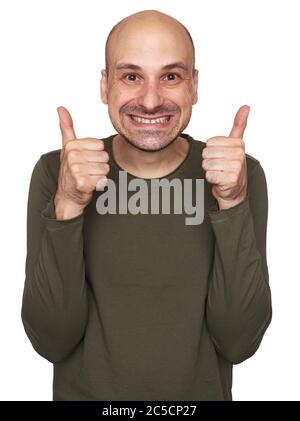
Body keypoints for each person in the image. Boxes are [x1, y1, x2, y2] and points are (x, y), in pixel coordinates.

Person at [21, 9, 272, 401]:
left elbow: (239, 341)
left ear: (194, 86)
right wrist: (68, 203)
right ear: (105, 86)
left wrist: (233, 202)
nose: (151, 101)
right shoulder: (57, 172)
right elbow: (51, 340)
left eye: (171, 76)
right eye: (131, 76)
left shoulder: (239, 175)